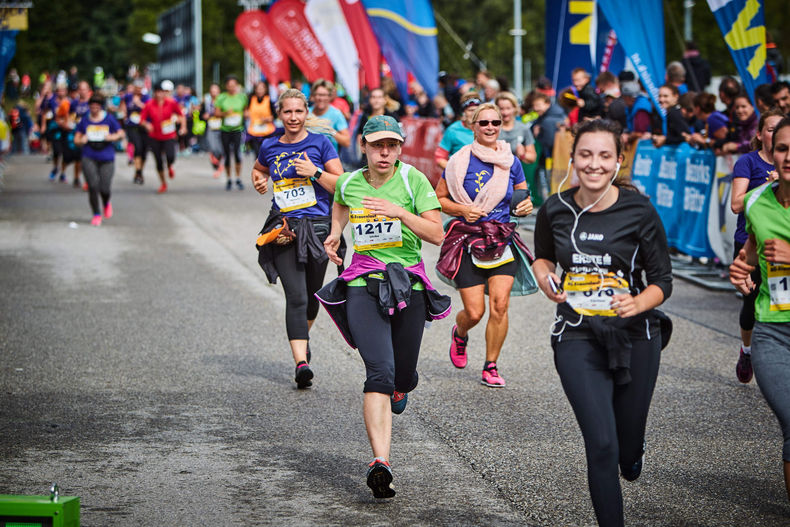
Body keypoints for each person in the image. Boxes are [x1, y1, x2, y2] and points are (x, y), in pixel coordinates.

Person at [532, 119, 673, 527]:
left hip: (636, 336)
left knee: (625, 452)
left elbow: (662, 280)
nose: (594, 164)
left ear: (619, 161)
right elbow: (542, 256)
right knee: (602, 445)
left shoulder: (639, 211)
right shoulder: (556, 208)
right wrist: (546, 279)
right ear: (573, 158)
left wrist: (638, 302)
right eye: (586, 155)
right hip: (576, 335)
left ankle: (634, 452)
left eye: (604, 156)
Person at [316, 115, 449, 498]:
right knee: (379, 371)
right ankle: (381, 463)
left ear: (400, 147)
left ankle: (402, 386)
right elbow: (340, 202)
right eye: (377, 145)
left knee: (401, 376)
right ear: (364, 146)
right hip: (362, 283)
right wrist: (336, 232)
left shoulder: (413, 181)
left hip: (407, 283)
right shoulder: (351, 182)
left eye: (392, 145)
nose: (385, 152)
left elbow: (437, 234)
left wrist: (401, 214)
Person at [435, 102, 535, 387]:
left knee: (500, 305)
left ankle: (491, 365)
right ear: (473, 127)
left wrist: (524, 206)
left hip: (501, 239)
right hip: (468, 238)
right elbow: (439, 198)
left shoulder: (510, 159)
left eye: (495, 123)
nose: (490, 127)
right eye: (484, 123)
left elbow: (521, 192)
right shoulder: (459, 161)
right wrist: (461, 210)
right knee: (475, 311)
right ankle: (461, 332)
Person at [251, 89, 344, 389]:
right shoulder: (269, 146)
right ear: (280, 114)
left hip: (317, 228)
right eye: (287, 112)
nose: (293, 117)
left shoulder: (321, 144)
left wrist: (315, 172)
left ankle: (303, 340)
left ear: (306, 113)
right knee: (297, 297)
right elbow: (258, 169)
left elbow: (342, 186)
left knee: (313, 297)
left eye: (298, 112)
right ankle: (301, 363)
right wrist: (258, 179)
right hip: (284, 227)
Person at [729, 115, 790, 503]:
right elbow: (750, 252)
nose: (789, 157)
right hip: (774, 330)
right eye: (783, 148)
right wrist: (742, 268)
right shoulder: (755, 200)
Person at [729, 109, 785, 383]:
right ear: (761, 134)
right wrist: (766, 187)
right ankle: (748, 350)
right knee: (751, 302)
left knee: (780, 301)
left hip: (781, 243)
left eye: (780, 129)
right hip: (749, 242)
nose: (774, 134)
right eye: (770, 129)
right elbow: (737, 204)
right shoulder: (748, 163)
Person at [74, 95, 124, 226]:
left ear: (101, 106)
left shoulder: (109, 119)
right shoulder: (84, 120)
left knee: (105, 188)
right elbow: (76, 138)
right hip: (89, 156)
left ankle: (106, 202)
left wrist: (112, 137)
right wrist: (81, 140)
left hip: (107, 157)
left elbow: (121, 133)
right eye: (92, 105)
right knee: (93, 186)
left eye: (97, 105)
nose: (94, 108)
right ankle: (96, 214)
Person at [140, 80, 186, 193]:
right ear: (154, 93)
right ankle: (163, 183)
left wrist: (183, 127)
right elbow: (142, 120)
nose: (160, 94)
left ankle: (170, 165)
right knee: (159, 161)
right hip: (154, 136)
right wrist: (147, 125)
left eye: (162, 92)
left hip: (169, 135)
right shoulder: (149, 104)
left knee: (171, 156)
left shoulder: (171, 103)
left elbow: (181, 115)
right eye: (158, 92)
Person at [214, 75, 248, 191]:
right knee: (227, 155)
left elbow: (246, 110)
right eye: (230, 85)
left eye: (234, 85)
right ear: (226, 86)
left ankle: (238, 178)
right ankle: (229, 178)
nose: (232, 88)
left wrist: (246, 115)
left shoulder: (242, 97)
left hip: (238, 129)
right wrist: (225, 113)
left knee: (238, 154)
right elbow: (216, 113)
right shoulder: (222, 98)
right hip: (225, 130)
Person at [434, 92, 481, 170]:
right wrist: (456, 171)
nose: (474, 114)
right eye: (471, 110)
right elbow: (439, 157)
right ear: (464, 113)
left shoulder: (487, 129)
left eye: (477, 111)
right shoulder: (453, 130)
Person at [120, 79, 150, 185]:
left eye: (139, 88)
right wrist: (124, 114)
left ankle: (140, 171)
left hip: (144, 126)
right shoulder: (128, 97)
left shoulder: (146, 98)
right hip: (132, 126)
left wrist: (139, 103)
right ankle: (138, 171)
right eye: (136, 88)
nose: (138, 90)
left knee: (144, 152)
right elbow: (123, 105)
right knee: (138, 147)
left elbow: (148, 109)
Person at [495, 91, 537, 164]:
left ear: (515, 108)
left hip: (515, 173)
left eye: (508, 108)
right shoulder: (492, 128)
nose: (505, 113)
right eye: (501, 109)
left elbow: (533, 157)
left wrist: (523, 155)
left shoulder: (523, 128)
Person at [308, 79, 350, 151]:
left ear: (330, 97)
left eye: (324, 95)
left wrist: (330, 131)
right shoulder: (306, 113)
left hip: (329, 159)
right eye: (318, 95)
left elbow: (347, 142)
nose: (321, 98)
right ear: (313, 96)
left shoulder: (336, 114)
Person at [246, 80, 276, 157]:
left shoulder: (269, 100)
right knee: (257, 156)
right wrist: (245, 114)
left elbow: (275, 115)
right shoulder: (251, 99)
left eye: (261, 88)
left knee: (267, 155)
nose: (259, 90)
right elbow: (246, 111)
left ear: (265, 89)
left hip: (267, 132)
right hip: (254, 132)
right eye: (258, 88)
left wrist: (269, 119)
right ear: (255, 90)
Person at [201, 83, 224, 178]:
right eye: (212, 91)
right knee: (212, 147)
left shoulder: (223, 101)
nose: (214, 93)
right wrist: (204, 116)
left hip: (221, 127)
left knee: (220, 149)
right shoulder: (206, 101)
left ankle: (219, 164)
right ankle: (217, 164)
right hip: (210, 127)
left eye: (216, 90)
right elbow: (201, 114)